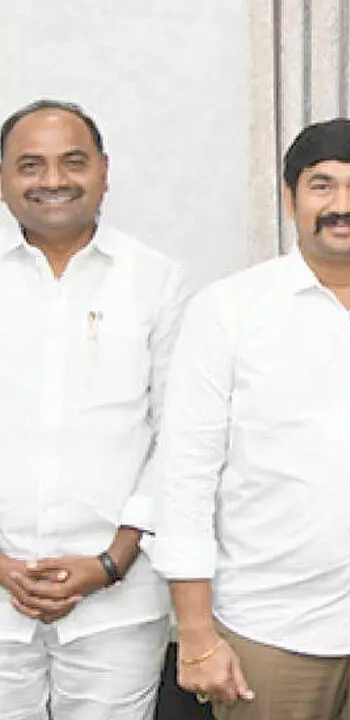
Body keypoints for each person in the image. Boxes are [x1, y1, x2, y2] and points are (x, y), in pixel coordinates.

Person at [154, 118, 350, 720]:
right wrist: (195, 635)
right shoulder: (228, 311)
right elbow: (185, 477)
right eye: (321, 186)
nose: (342, 206)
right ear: (290, 198)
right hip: (269, 630)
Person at [0, 100, 185, 718]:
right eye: (31, 165)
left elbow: (176, 434)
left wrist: (113, 561)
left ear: (104, 171)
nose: (53, 180)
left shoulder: (155, 280)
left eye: (72, 163)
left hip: (118, 600)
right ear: (3, 177)